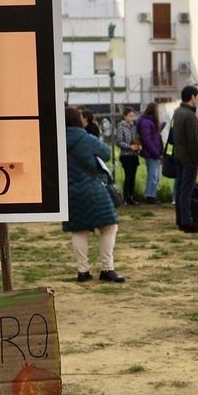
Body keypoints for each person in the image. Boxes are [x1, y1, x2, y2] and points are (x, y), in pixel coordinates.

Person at [62, 105, 123, 283]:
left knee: (79, 230)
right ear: (77, 120)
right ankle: (107, 269)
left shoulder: (54, 140)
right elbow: (106, 153)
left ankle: (83, 271)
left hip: (70, 191)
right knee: (109, 227)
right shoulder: (86, 138)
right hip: (93, 188)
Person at [169, 86, 198, 233]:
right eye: (196, 96)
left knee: (180, 190)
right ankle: (187, 222)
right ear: (192, 97)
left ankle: (181, 220)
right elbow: (194, 142)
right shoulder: (189, 116)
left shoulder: (177, 112)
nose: (197, 99)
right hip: (188, 158)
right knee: (186, 191)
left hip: (178, 156)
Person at [113, 106, 141, 206]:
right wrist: (129, 147)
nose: (132, 118)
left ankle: (131, 197)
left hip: (134, 155)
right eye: (130, 116)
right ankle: (125, 197)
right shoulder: (121, 127)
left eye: (133, 116)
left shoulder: (134, 126)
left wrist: (138, 145)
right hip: (126, 155)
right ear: (124, 116)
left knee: (133, 176)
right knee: (128, 176)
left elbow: (137, 138)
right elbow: (119, 142)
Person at [137, 103, 164, 204]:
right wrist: (156, 153)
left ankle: (151, 195)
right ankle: (150, 196)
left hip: (152, 152)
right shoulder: (147, 123)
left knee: (154, 175)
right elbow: (147, 140)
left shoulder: (148, 122)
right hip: (151, 153)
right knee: (153, 175)